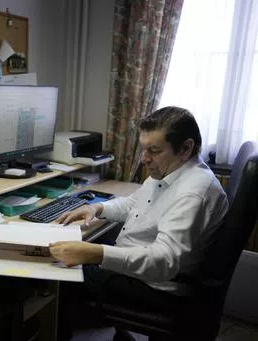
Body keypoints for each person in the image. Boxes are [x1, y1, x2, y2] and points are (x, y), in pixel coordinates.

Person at [50, 106, 229, 340]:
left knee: (57, 274)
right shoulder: (173, 171)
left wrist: (95, 254)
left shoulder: (193, 193)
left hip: (158, 287)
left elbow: (164, 261)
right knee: (91, 246)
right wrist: (97, 208)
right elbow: (135, 203)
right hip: (146, 268)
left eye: (153, 150)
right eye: (144, 149)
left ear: (186, 148)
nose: (144, 159)